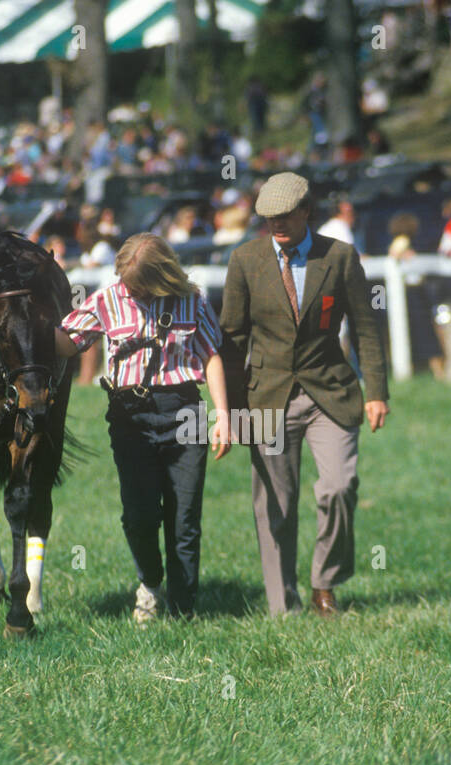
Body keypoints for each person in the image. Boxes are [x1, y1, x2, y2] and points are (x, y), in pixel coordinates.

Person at [219, 172, 390, 618]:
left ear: (306, 212)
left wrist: (376, 391)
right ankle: (282, 604)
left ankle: (325, 584)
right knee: (275, 503)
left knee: (338, 487)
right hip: (266, 398)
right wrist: (231, 409)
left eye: (284, 216)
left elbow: (366, 328)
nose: (275, 224)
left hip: (330, 391)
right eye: (267, 217)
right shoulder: (245, 260)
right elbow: (233, 339)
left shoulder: (340, 257)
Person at [54, 234, 232, 621]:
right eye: (126, 280)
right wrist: (29, 322)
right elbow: (69, 343)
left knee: (184, 517)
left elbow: (211, 356)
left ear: (161, 276)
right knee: (140, 513)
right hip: (129, 415)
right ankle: (150, 583)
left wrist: (223, 415)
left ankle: (184, 608)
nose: (129, 289)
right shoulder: (107, 299)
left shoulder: (192, 299)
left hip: (184, 410)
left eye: (138, 283)